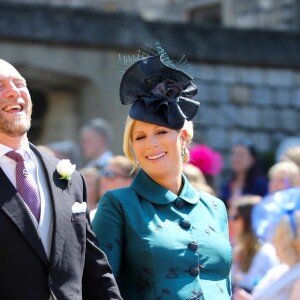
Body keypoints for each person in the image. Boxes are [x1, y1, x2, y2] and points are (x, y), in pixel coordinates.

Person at [92, 47, 232, 299]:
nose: (151, 144)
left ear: (184, 137)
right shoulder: (118, 204)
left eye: (161, 132)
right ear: (131, 146)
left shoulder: (216, 207)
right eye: (140, 136)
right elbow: (99, 288)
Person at [0, 58, 122, 299]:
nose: (14, 92)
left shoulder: (71, 178)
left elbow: (94, 270)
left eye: (19, 83)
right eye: (0, 86)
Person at [234, 188, 300, 300]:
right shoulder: (282, 269)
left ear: (288, 241)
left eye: (276, 234)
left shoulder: (297, 274)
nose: (272, 239)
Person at [229, 195, 278, 293]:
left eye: (235, 217)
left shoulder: (266, 254)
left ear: (249, 219)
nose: (230, 221)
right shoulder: (237, 251)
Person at [220, 139, 268, 206]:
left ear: (253, 159)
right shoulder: (227, 186)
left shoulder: (260, 184)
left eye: (241, 154)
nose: (236, 158)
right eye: (234, 153)